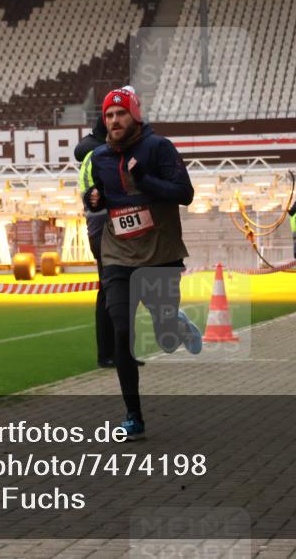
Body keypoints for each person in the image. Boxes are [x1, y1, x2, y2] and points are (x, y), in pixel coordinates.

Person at [84, 85, 201, 440]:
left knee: (164, 336)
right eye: (108, 115)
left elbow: (185, 193)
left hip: (160, 254)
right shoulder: (100, 157)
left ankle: (176, 325)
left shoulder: (158, 147)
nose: (114, 120)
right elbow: (100, 197)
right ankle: (133, 415)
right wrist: (93, 199)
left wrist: (145, 180)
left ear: (134, 115)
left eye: (120, 113)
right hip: (118, 254)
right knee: (121, 329)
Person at [74, 115, 116, 368]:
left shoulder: (97, 154)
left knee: (119, 291)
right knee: (111, 290)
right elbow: (94, 197)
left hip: (106, 228)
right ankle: (109, 354)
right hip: (105, 228)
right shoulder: (97, 157)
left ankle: (118, 352)